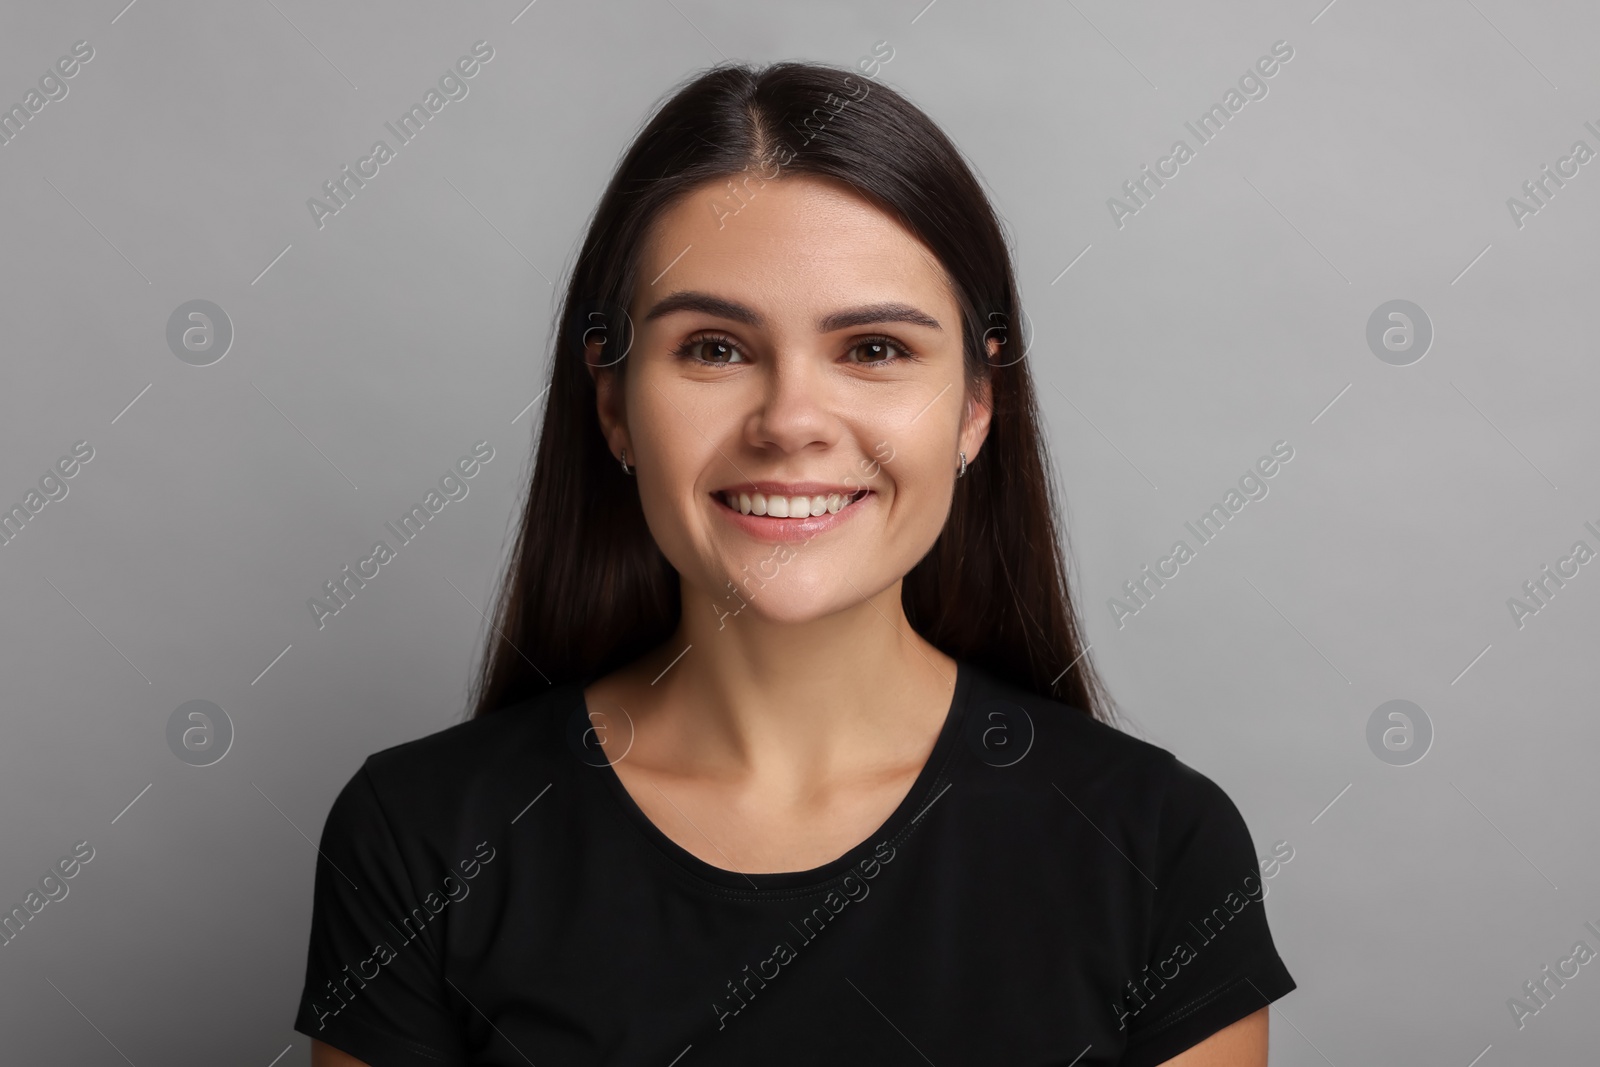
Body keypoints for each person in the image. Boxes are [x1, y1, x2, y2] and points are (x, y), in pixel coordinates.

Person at [294, 58, 1296, 1066]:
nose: (789, 423)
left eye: (872, 350)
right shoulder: (419, 836)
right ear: (613, 407)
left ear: (976, 409)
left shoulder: (1159, 849)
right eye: (716, 348)